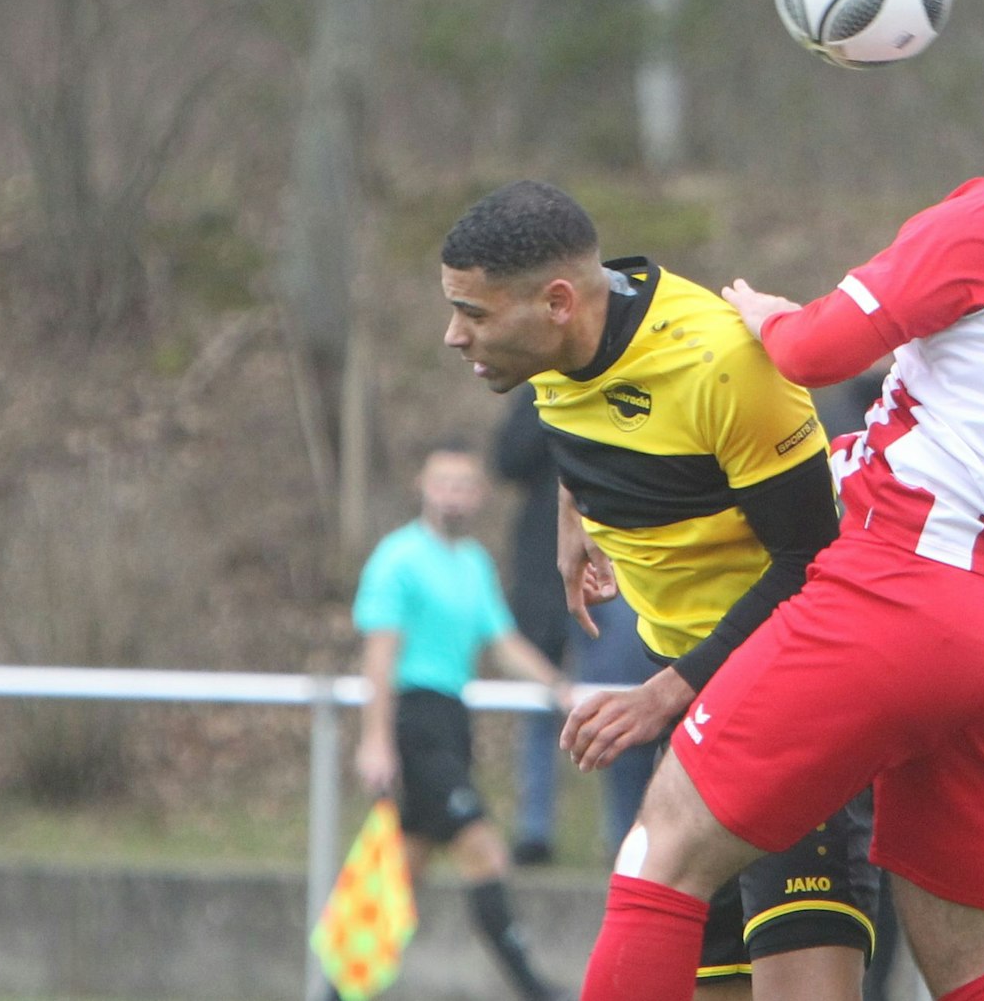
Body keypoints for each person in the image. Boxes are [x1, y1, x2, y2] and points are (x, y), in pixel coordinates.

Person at [574, 0, 984, 1001]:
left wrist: (766, 315)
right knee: (977, 963)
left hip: (897, 596)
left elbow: (817, 352)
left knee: (662, 850)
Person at [439, 180, 879, 1000]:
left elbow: (814, 567)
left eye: (474, 312)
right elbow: (591, 407)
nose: (453, 334)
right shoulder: (549, 354)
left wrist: (662, 694)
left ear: (559, 301)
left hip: (798, 699)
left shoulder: (722, 365)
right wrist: (580, 515)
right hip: (704, 716)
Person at [347, 441, 576, 1001]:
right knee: (485, 851)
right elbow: (379, 653)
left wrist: (559, 688)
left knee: (400, 872)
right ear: (423, 488)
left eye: (462, 485)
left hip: (452, 720)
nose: (452, 495)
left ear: (476, 495)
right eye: (441, 483)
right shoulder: (398, 558)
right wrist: (375, 739)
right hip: (414, 719)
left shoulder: (473, 564)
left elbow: (502, 643)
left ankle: (334, 992)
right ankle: (536, 990)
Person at [490, 400, 658, 863]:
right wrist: (547, 406)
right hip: (544, 572)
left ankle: (623, 832)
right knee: (541, 701)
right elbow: (508, 460)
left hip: (616, 572)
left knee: (617, 697)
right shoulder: (539, 394)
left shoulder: (626, 387)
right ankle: (534, 831)